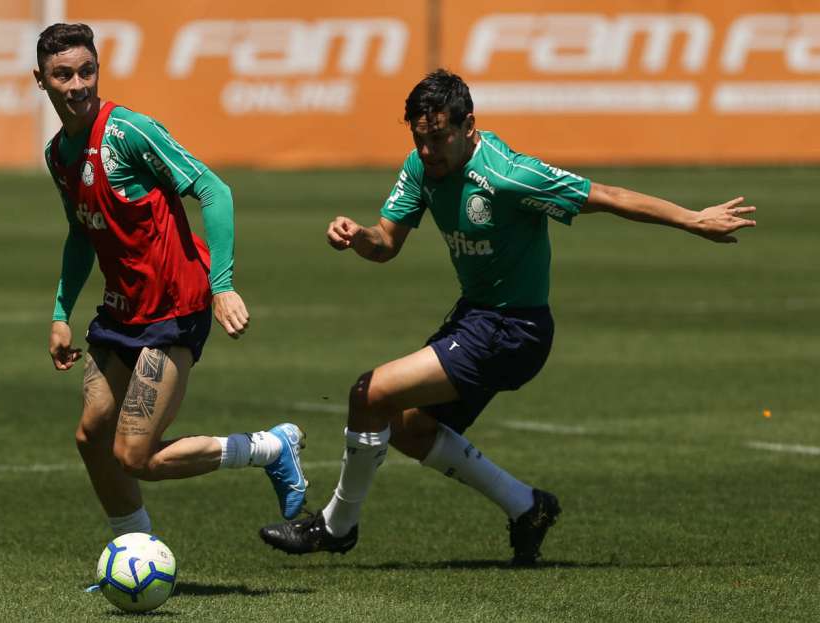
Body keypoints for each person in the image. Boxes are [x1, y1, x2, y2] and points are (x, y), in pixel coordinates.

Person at [259, 69, 756, 565]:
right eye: (419, 138)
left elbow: (607, 196)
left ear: (468, 126)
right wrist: (356, 236)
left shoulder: (507, 174)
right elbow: (385, 244)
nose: (428, 150)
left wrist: (693, 219)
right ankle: (528, 506)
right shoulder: (419, 167)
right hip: (475, 320)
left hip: (514, 331)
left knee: (370, 394)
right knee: (410, 428)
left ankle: (336, 526)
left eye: (438, 138)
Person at [34, 23, 307, 539]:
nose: (77, 85)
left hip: (173, 307)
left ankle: (270, 448)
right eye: (62, 75)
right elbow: (80, 233)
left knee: (134, 454)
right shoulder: (58, 156)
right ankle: (133, 552)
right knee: (92, 436)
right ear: (40, 81)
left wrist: (222, 284)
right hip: (120, 311)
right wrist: (59, 314)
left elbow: (213, 188)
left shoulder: (129, 133)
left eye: (86, 71)